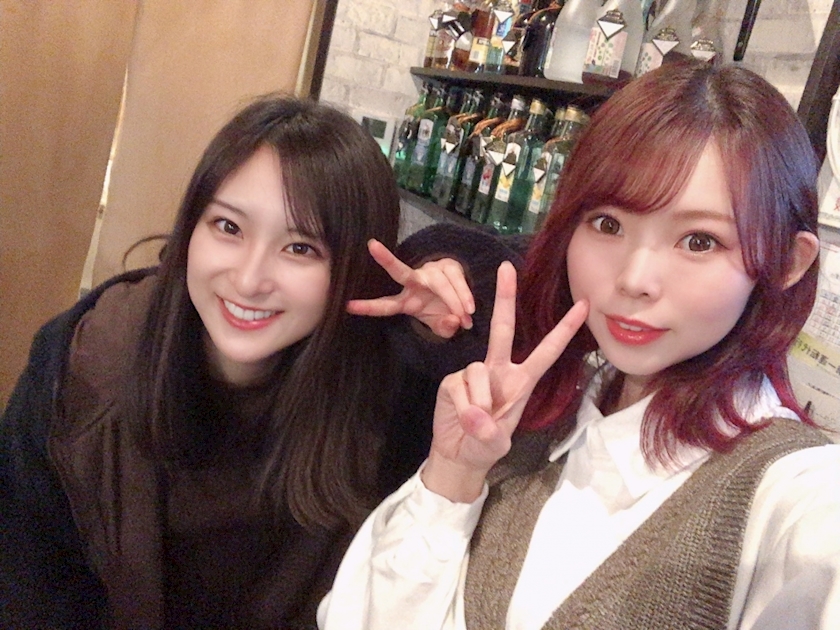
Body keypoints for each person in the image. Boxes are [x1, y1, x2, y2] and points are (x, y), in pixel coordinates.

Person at [318, 62, 840, 629]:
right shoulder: (550, 410)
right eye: (609, 224)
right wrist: (454, 474)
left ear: (786, 262)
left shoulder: (793, 495)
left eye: (699, 240)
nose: (635, 279)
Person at [0, 95, 525, 628]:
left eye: (300, 248)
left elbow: (522, 280)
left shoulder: (382, 398)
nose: (250, 280)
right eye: (228, 227)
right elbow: (25, 586)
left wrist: (448, 283)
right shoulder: (86, 365)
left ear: (351, 272)